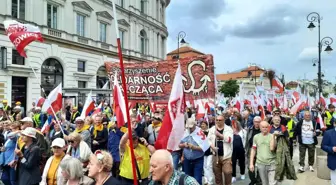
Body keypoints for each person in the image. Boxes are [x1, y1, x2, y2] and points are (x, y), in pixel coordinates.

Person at [179, 118, 207, 185]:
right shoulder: (185, 132)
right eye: (188, 128)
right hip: (187, 160)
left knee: (197, 179)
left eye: (191, 128)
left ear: (195, 125)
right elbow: (179, 145)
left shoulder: (200, 133)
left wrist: (194, 147)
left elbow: (205, 147)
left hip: (198, 159)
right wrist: (184, 145)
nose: (190, 129)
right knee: (188, 178)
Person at [208, 114, 233, 185]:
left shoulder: (228, 129)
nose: (218, 121)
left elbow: (229, 140)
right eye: (217, 120)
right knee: (217, 175)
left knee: (227, 173)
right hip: (215, 156)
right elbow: (208, 140)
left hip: (226, 156)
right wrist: (212, 147)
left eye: (220, 120)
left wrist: (219, 135)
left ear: (224, 121)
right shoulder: (212, 129)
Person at [249, 121, 277, 185]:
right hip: (260, 163)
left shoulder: (272, 136)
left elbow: (272, 148)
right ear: (260, 127)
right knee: (264, 183)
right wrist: (251, 163)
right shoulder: (256, 137)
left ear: (269, 127)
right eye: (263, 127)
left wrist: (273, 137)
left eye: (266, 127)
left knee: (272, 183)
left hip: (272, 163)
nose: (265, 128)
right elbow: (253, 149)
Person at [245, 116, 262, 185]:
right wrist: (246, 149)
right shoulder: (250, 129)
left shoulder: (263, 129)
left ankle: (258, 181)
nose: (257, 123)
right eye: (255, 122)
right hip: (251, 149)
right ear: (253, 122)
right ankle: (253, 180)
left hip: (260, 150)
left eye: (258, 122)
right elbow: (247, 140)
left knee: (260, 167)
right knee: (250, 166)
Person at [321, 120, 336, 184]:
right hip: (334, 160)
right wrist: (331, 149)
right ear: (334, 124)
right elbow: (323, 146)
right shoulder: (328, 133)